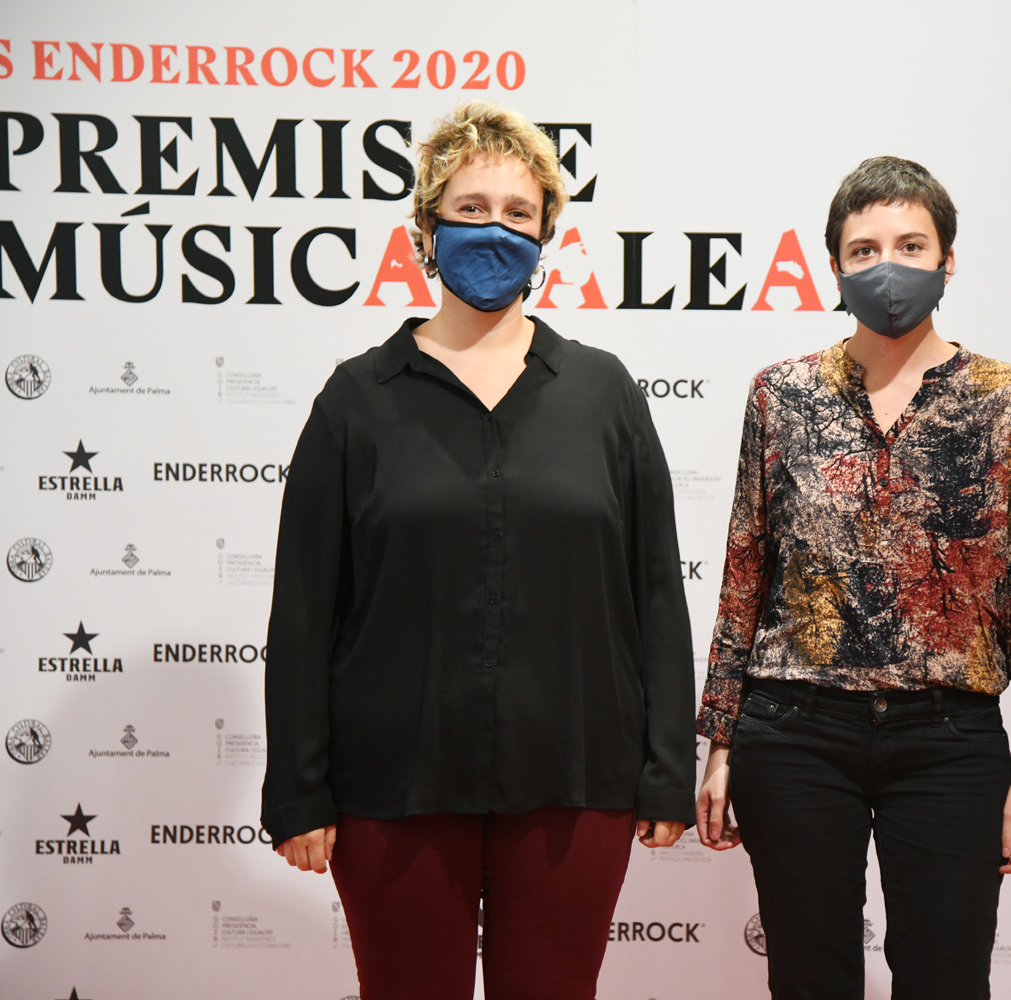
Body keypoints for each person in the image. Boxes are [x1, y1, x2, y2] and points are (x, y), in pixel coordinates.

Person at [260, 101, 696, 1000]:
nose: (494, 229)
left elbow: (655, 591)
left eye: (517, 213)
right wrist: (299, 789)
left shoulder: (605, 394)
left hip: (576, 778)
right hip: (393, 784)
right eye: (470, 208)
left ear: (545, 236)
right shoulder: (356, 402)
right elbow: (304, 609)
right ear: (426, 230)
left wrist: (666, 771)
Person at [694, 156, 1011, 999]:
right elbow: (746, 569)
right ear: (834, 265)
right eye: (863, 250)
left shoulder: (1004, 397)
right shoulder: (782, 394)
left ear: (947, 259)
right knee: (808, 979)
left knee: (947, 979)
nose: (887, 266)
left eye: (910, 245)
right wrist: (721, 741)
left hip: (949, 736)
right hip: (794, 731)